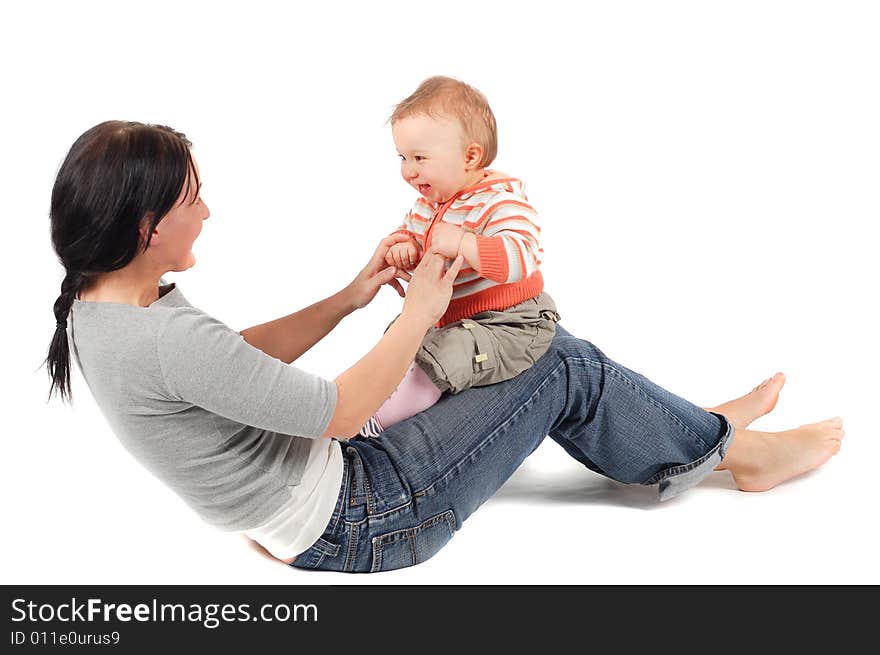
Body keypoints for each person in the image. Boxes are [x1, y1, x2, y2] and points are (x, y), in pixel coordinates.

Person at [45, 121, 845, 573]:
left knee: (521, 361)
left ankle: (698, 432)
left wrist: (351, 295)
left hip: (310, 512)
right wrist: (417, 310)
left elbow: (234, 359)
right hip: (365, 514)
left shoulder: (100, 305)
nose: (209, 212)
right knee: (556, 357)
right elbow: (336, 412)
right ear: (146, 228)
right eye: (192, 201)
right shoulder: (160, 338)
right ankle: (735, 452)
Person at [357, 76, 559, 438]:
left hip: (510, 322)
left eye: (420, 158)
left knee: (445, 354)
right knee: (400, 340)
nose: (408, 170)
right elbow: (412, 234)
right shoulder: (427, 205)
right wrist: (406, 247)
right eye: (402, 157)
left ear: (470, 156)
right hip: (450, 318)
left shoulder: (502, 201)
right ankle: (373, 402)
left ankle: (376, 425)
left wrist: (464, 243)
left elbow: (520, 257)